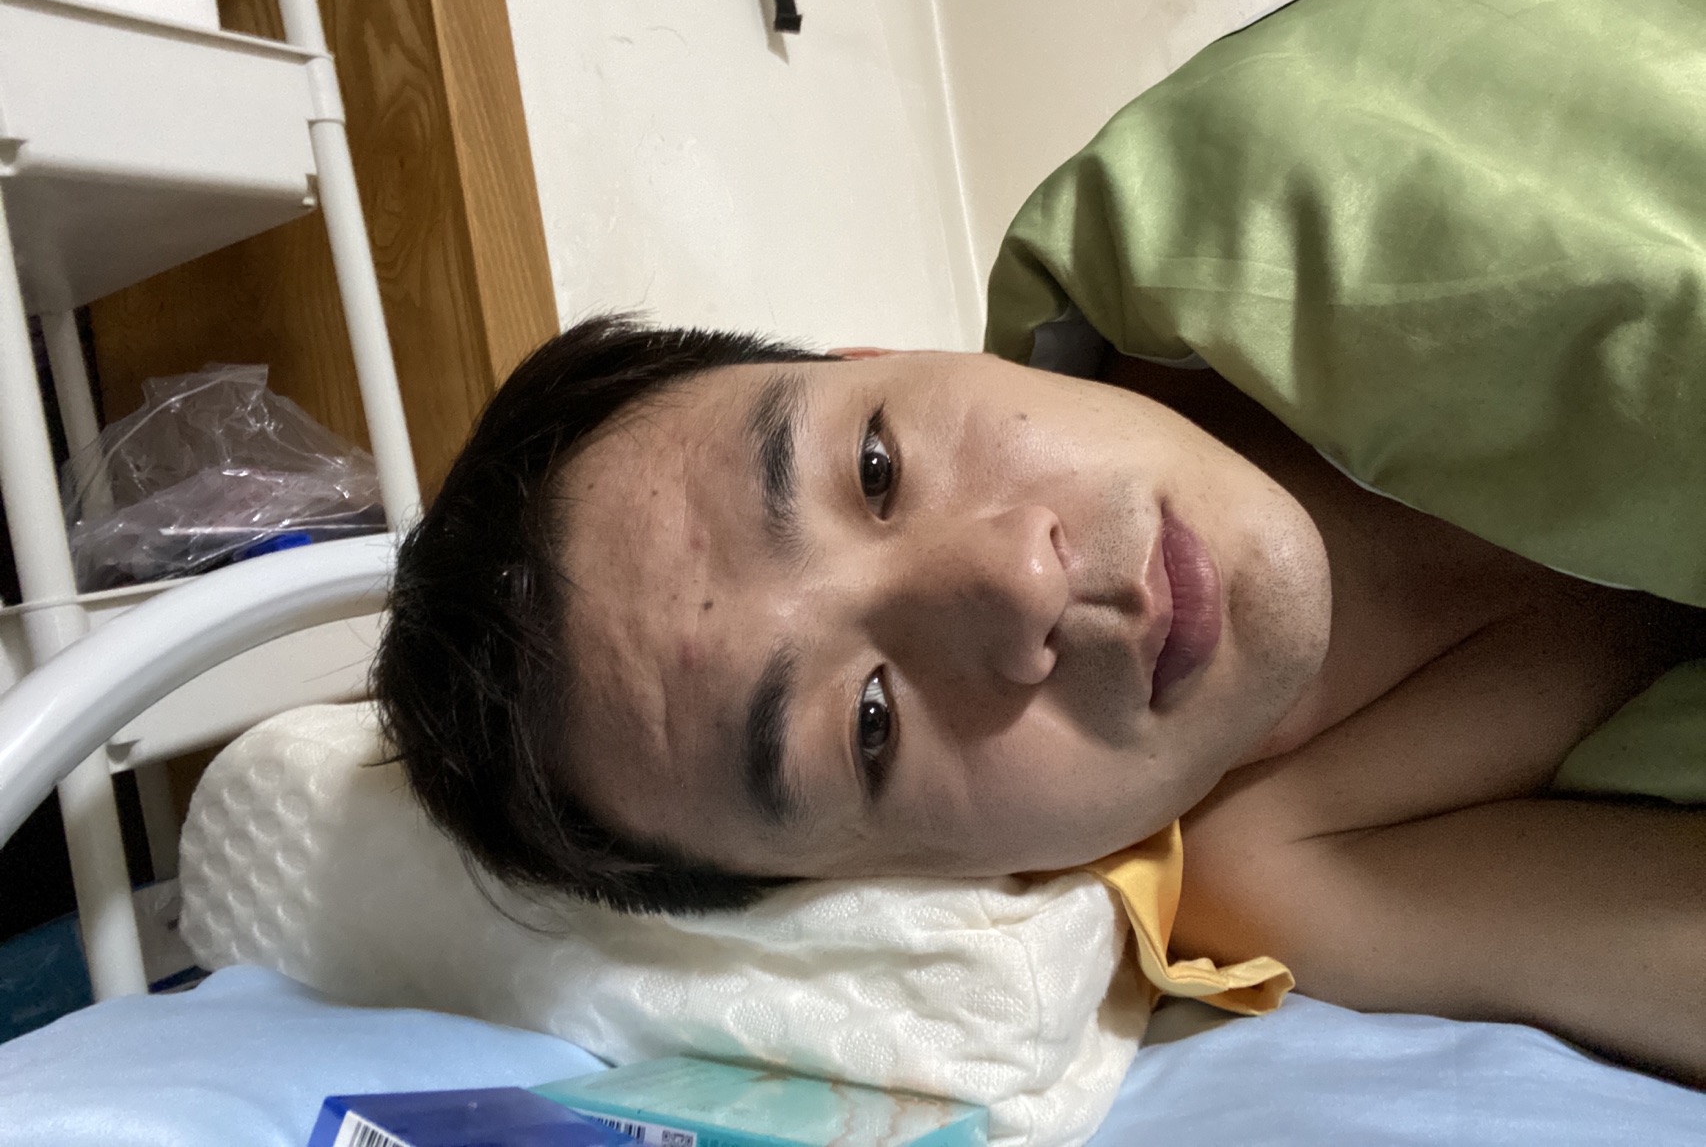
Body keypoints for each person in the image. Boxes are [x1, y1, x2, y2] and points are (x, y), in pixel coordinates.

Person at [374, 314, 1706, 1088]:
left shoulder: (1276, 234)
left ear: (886, 348)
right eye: (869, 727)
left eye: (875, 467)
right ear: (927, 879)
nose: (1016, 582)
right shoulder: (1294, 871)